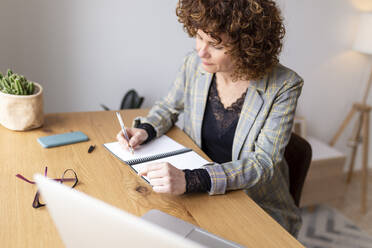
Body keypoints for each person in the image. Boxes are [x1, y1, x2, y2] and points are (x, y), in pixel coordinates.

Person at [117, 0, 303, 237]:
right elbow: (168, 107)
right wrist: (146, 129)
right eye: (199, 37)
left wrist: (193, 179)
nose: (200, 50)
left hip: (254, 204)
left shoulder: (284, 86)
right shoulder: (194, 65)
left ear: (246, 45)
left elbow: (263, 164)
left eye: (214, 44)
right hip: (198, 192)